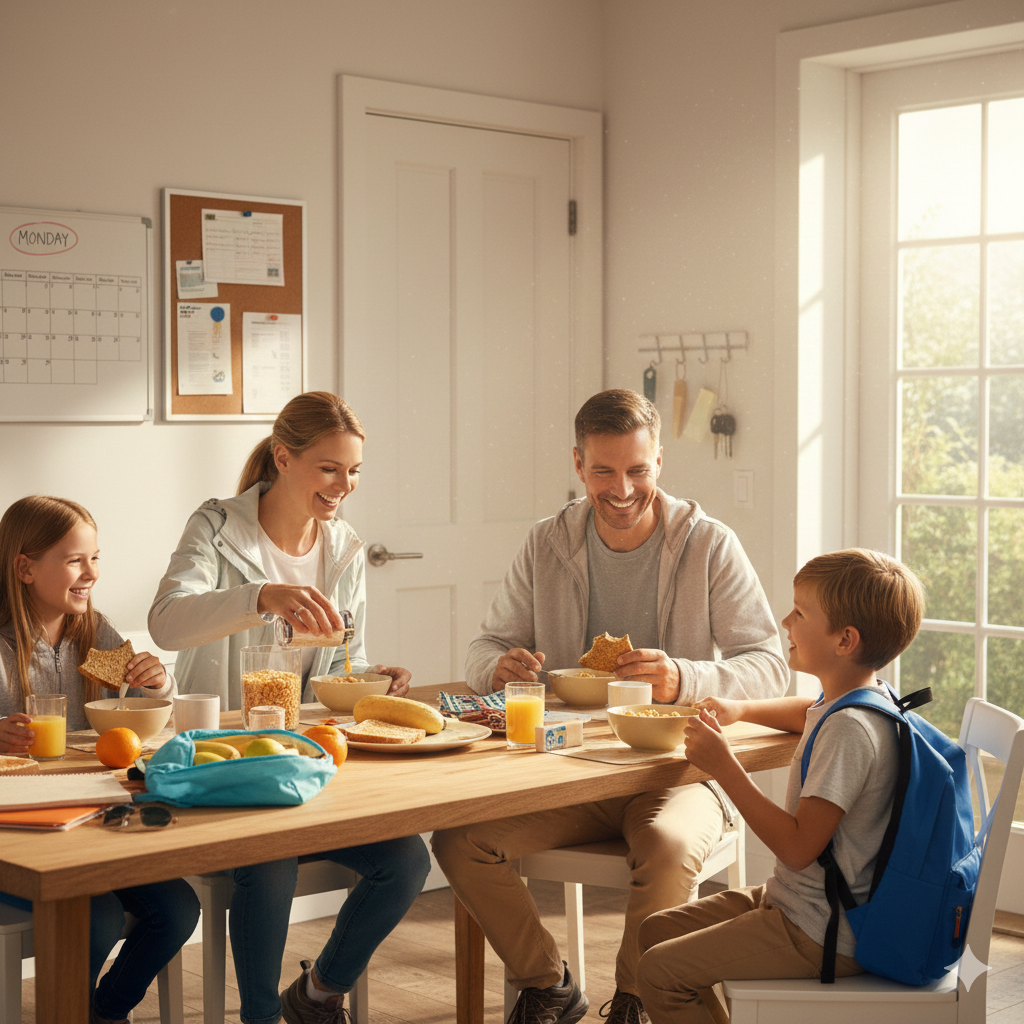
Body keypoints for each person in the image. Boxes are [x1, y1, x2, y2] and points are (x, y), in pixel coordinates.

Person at [432, 389, 787, 1024]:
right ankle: (548, 982)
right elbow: (486, 642)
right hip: (572, 771)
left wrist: (683, 675)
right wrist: (496, 665)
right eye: (604, 471)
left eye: (637, 470)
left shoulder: (709, 543)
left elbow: (768, 664)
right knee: (462, 841)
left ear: (659, 464)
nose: (622, 489)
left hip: (681, 771)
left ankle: (635, 998)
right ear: (578, 464)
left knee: (669, 847)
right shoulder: (547, 543)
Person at [149, 391, 429, 1024]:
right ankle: (259, 1017)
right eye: (329, 468)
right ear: (283, 456)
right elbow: (165, 623)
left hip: (301, 761)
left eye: (353, 470)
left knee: (407, 858)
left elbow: (335, 665)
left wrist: (367, 677)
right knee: (270, 860)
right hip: (221, 762)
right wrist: (262, 596)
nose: (344, 485)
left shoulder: (344, 547)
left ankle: (318, 995)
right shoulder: (217, 527)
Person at [635, 549, 924, 1023]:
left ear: (845, 641)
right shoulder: (866, 697)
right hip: (801, 902)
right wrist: (741, 709)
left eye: (800, 613)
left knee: (658, 972)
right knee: (655, 932)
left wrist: (725, 767)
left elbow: (797, 848)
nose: (785, 621)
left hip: (824, 929)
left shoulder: (850, 732)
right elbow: (806, 711)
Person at [0, 495, 200, 1024]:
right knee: (99, 914)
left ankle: (101, 1012)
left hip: (91, 815)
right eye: (74, 560)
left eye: (95, 558)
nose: (90, 573)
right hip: (17, 832)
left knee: (180, 909)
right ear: (24, 567)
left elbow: (133, 714)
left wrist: (157, 683)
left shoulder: (92, 632)